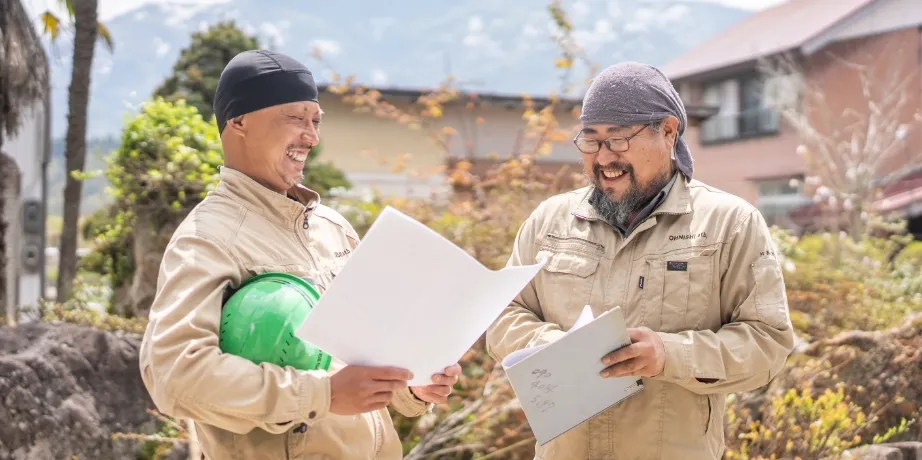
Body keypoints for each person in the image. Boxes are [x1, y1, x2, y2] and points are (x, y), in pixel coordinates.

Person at [138, 49, 461, 460]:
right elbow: (175, 376)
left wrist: (414, 385)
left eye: (316, 121)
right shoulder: (208, 238)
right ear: (238, 123)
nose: (311, 136)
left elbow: (367, 356)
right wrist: (321, 394)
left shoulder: (333, 228)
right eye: (295, 118)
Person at [486, 61, 795, 459]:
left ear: (668, 131)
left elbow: (768, 343)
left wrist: (669, 355)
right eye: (591, 140)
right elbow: (502, 315)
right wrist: (556, 347)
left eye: (618, 140)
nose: (602, 158)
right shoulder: (549, 221)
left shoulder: (729, 223)